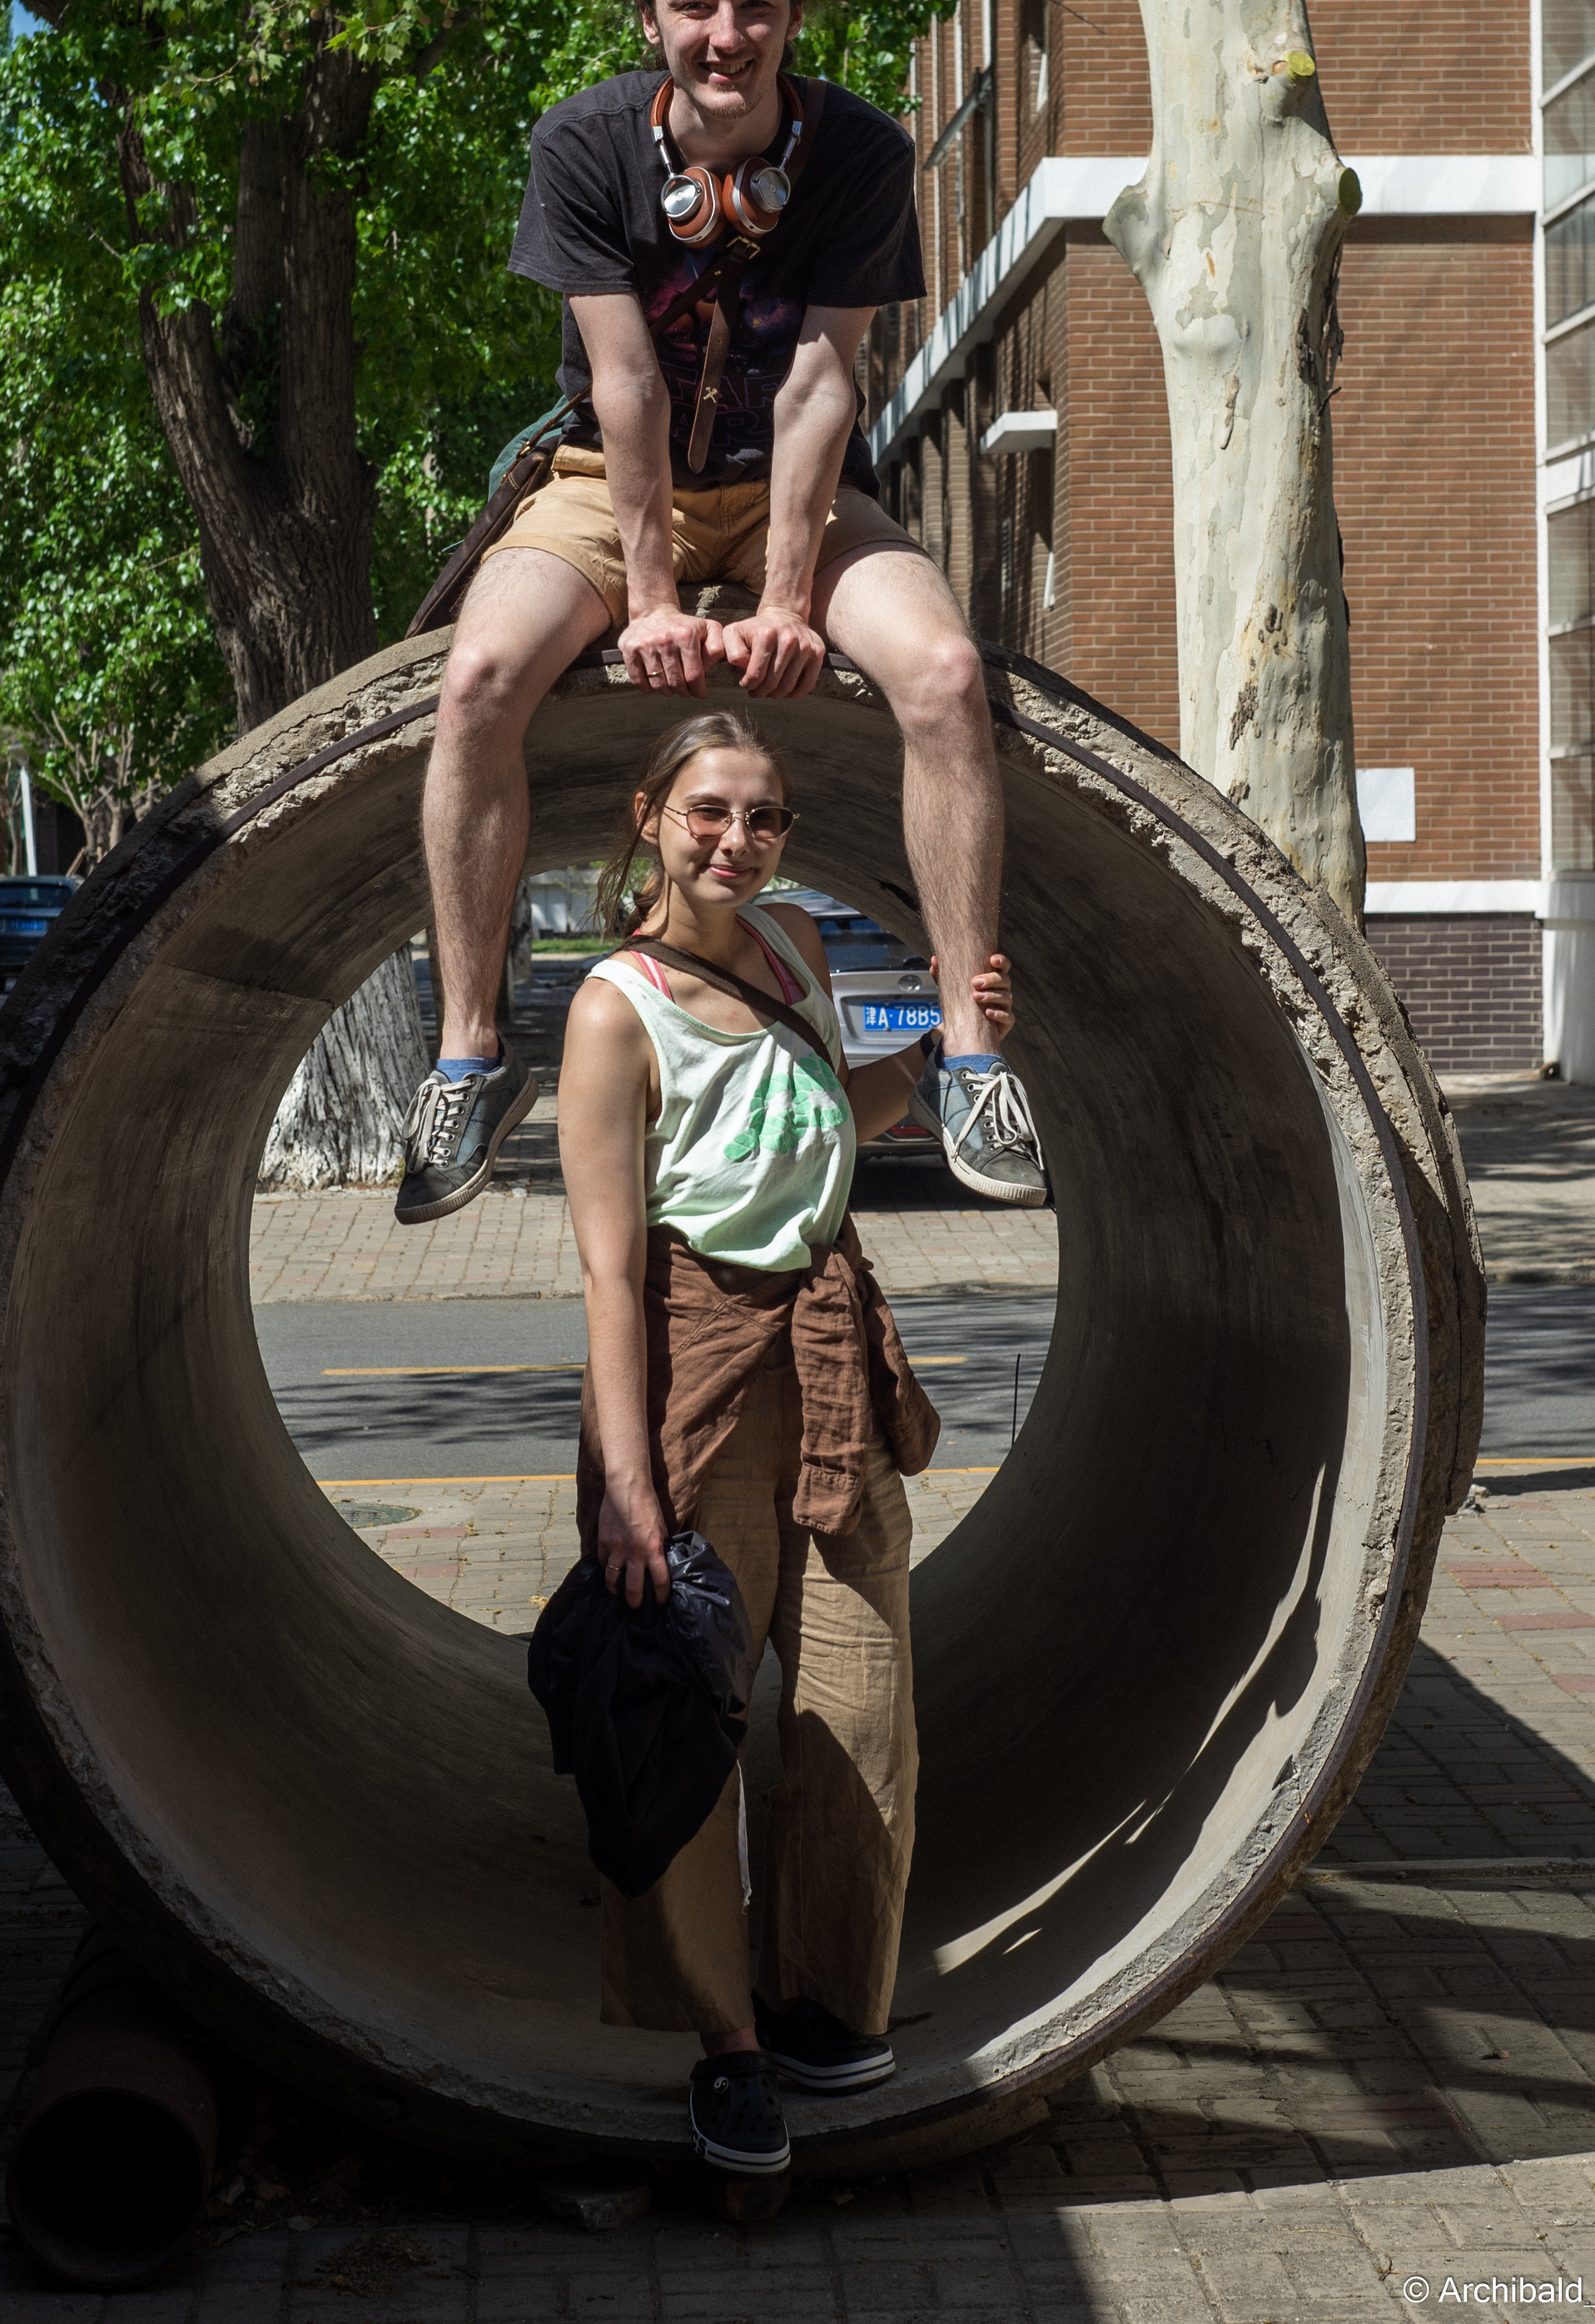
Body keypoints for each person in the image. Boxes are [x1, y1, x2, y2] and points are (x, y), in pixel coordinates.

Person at [397, 0, 1046, 1228]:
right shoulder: (583, 145)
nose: (725, 32)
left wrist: (791, 598)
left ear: (793, 18)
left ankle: (971, 1061)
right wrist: (646, 602)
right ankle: (469, 1054)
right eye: (695, 4)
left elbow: (823, 383)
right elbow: (623, 381)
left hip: (790, 493)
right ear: (652, 19)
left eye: (755, 4)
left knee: (939, 677)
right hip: (605, 481)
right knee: (475, 686)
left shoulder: (860, 153)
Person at [556, 707, 1020, 2173]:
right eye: (708, 812)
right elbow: (609, 1273)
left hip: (832, 1360)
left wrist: (956, 1037)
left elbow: (839, 1115)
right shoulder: (613, 1008)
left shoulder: (801, 954)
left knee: (864, 1715)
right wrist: (630, 1487)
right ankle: (724, 2042)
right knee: (687, 1716)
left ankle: (820, 2000)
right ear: (650, 815)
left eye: (762, 817)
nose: (736, 841)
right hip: (695, 1371)